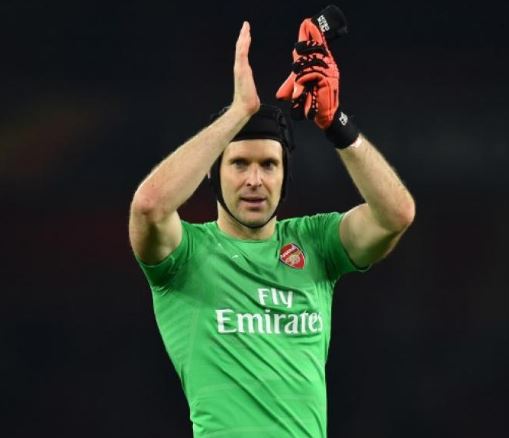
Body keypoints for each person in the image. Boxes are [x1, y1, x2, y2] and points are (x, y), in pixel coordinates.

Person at [129, 12, 415, 438]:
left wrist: (336, 123)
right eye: (239, 163)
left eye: (268, 164)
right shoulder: (185, 256)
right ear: (213, 173)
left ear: (285, 175)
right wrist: (237, 114)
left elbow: (396, 214)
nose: (254, 180)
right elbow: (149, 207)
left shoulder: (315, 243)